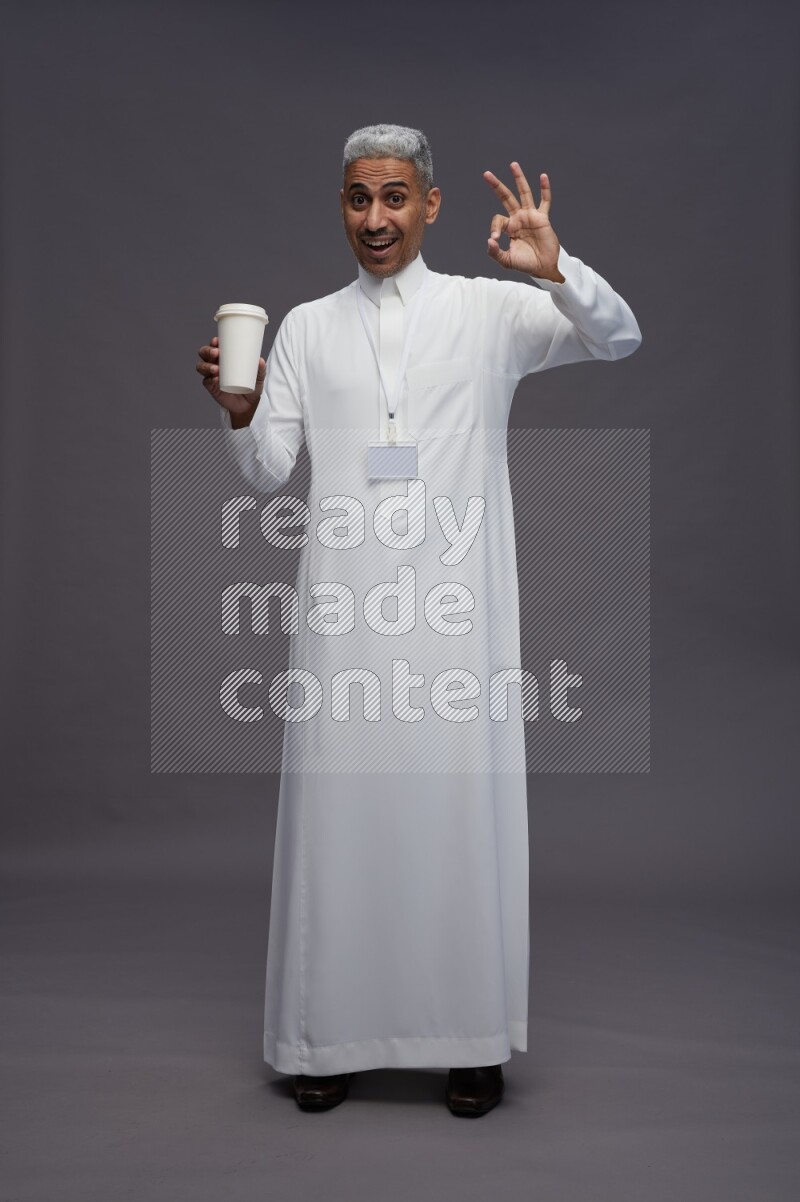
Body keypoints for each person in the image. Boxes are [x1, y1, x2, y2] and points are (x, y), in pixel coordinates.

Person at [196, 123, 642, 1117]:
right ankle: (326, 1036)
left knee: (455, 815)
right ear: (341, 208)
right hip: (344, 611)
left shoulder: (491, 312)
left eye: (394, 197)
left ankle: (469, 1040)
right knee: (341, 816)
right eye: (358, 199)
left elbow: (618, 337)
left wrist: (554, 264)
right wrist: (238, 409)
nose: (376, 218)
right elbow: (268, 468)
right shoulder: (307, 327)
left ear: (430, 206)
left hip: (458, 614)